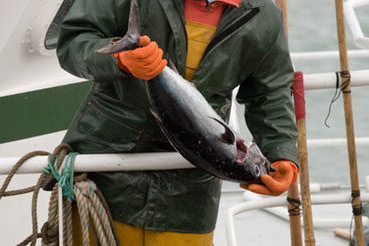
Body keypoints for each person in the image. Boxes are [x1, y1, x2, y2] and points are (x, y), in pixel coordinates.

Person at [56, 0, 299, 245]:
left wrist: (282, 156)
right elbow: (74, 42)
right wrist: (120, 58)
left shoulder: (265, 17)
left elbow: (270, 96)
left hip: (189, 198)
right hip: (106, 179)